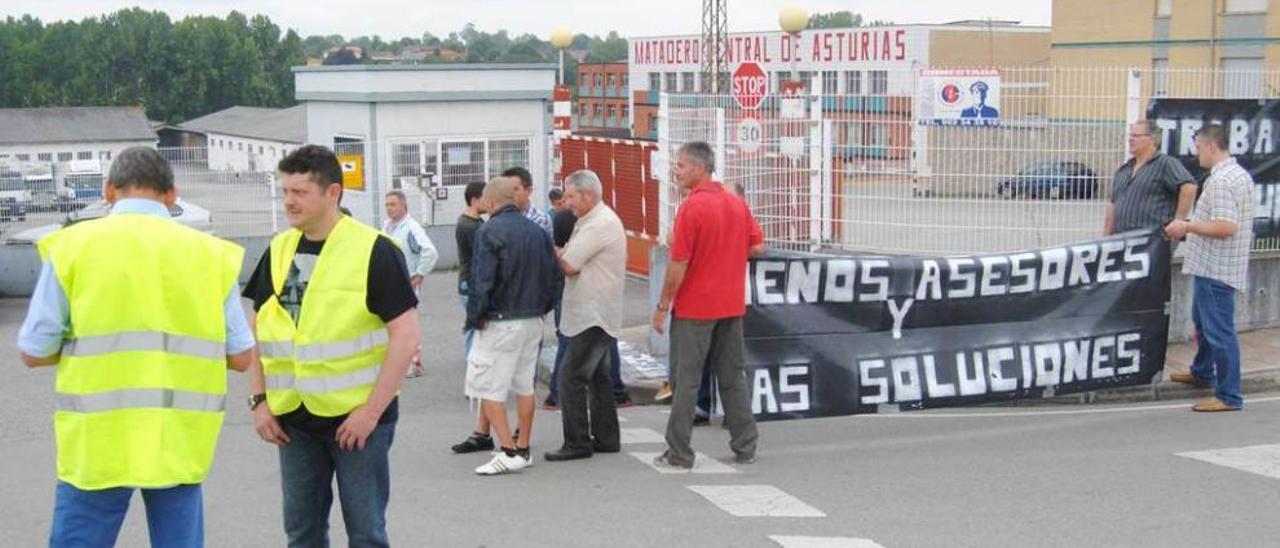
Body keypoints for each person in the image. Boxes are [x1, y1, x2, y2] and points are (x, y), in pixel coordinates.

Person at [18, 146, 253, 547]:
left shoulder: (73, 247)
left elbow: (33, 350)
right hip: (177, 439)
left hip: (98, 442)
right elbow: (242, 357)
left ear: (108, 190)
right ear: (172, 194)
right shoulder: (210, 256)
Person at [243, 145, 421, 547]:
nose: (289, 201)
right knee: (301, 532)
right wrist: (258, 401)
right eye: (285, 190)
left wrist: (370, 412)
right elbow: (256, 329)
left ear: (333, 193)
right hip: (294, 419)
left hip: (358, 422)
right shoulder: (279, 249)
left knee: (366, 534)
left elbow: (406, 336)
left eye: (301, 192)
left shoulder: (374, 250)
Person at [651, 141, 764, 469]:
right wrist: (728, 254)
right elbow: (757, 246)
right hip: (730, 304)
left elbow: (678, 264)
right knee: (732, 376)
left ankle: (680, 451)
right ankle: (746, 444)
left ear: (700, 168)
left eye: (681, 165)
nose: (676, 171)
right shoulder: (736, 203)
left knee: (685, 380)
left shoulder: (691, 207)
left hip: (695, 307)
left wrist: (662, 305)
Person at [466, 176, 563, 474]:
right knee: (524, 385)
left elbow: (482, 281)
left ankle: (507, 449)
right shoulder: (537, 231)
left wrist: (474, 317)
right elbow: (555, 278)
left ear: (492, 202)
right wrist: (542, 308)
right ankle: (523, 447)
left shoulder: (489, 231)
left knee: (489, 386)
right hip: (533, 318)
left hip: (499, 319)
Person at [1164, 124, 1255, 412]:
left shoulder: (1221, 182)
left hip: (1217, 269)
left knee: (1218, 331)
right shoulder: (1237, 174)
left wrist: (1186, 226)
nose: (1196, 153)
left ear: (1211, 146)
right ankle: (1202, 371)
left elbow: (1226, 226)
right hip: (1213, 267)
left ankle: (1229, 395)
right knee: (1203, 323)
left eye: (1198, 147)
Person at [545, 170, 627, 462]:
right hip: (594, 310)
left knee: (571, 376)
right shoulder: (592, 220)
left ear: (587, 195)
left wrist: (551, 252)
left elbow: (568, 263)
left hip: (593, 312)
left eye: (569, 196)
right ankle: (606, 437)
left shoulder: (598, 223)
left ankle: (577, 442)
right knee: (598, 377)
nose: (566, 202)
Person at [451, 181, 501, 454]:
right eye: (485, 197)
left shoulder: (469, 222)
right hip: (472, 285)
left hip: (466, 284)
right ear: (475, 199)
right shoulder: (473, 227)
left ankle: (476, 381)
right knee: (475, 332)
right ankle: (475, 381)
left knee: (473, 331)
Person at [1106, 120, 1198, 236]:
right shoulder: (1124, 169)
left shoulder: (1166, 164)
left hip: (1152, 242)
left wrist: (1178, 222)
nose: (1130, 139)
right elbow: (1112, 204)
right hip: (1121, 241)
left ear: (1152, 139)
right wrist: (1106, 238)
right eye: (1130, 135)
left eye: (1136, 136)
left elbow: (1189, 186)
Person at [383, 189, 438, 378]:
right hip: (391, 282)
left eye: (393, 204)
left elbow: (430, 251)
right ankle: (401, 362)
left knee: (407, 324)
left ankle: (415, 363)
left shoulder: (412, 227)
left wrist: (419, 274)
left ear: (404, 205)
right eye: (387, 205)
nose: (389, 209)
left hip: (406, 283)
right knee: (395, 324)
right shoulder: (388, 226)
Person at [503, 166, 553, 237]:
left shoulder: (540, 219)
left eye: (515, 189)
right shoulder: (499, 218)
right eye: (506, 189)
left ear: (529, 191)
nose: (510, 194)